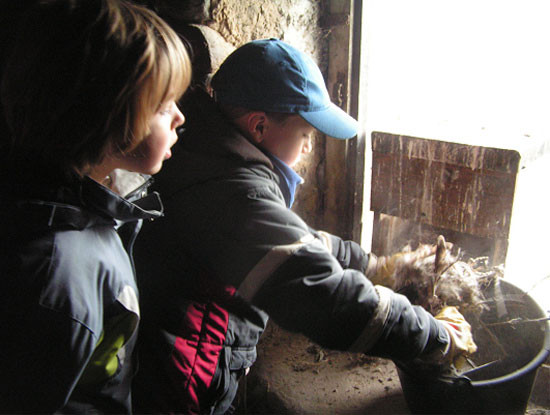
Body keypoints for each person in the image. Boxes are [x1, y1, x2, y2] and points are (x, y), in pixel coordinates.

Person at [132, 38, 476, 415]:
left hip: (188, 358)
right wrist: (435, 337)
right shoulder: (234, 196)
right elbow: (324, 296)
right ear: (259, 126)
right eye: (306, 134)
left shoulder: (212, 155)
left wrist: (371, 265)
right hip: (182, 383)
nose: (310, 147)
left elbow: (294, 244)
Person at [0, 0, 190, 412]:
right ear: (106, 116)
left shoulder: (96, 202)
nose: (180, 118)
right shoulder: (55, 280)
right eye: (163, 106)